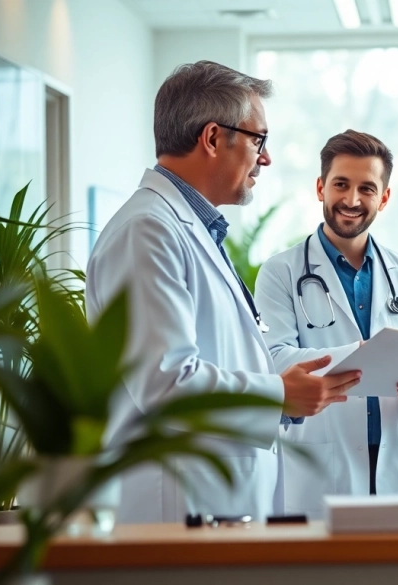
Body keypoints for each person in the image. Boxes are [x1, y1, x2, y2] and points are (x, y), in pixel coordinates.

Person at [86, 61, 361, 524]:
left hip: (217, 500)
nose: (266, 159)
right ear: (213, 138)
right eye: (259, 140)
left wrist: (336, 366)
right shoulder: (148, 231)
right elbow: (165, 382)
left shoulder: (188, 226)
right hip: (180, 504)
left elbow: (225, 358)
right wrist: (276, 395)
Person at [255, 130, 398, 518]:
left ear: (385, 198)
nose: (352, 200)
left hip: (397, 460)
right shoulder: (279, 272)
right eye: (341, 184)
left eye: (367, 188)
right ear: (321, 187)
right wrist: (364, 355)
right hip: (322, 462)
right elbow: (273, 361)